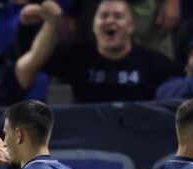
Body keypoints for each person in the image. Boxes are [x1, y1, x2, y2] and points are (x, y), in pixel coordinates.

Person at [44, 0, 180, 103]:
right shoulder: (78, 59)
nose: (110, 21)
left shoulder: (154, 63)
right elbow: (35, 63)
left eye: (118, 16)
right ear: (93, 25)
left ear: (131, 26)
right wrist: (50, 23)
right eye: (104, 16)